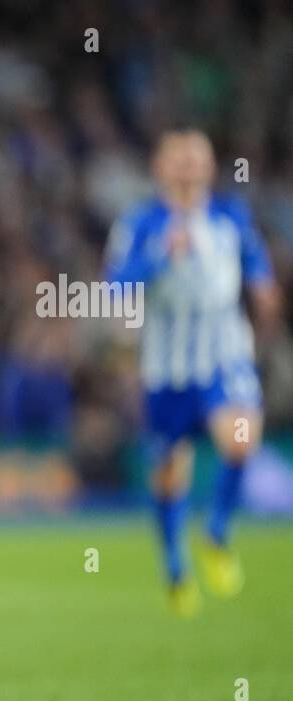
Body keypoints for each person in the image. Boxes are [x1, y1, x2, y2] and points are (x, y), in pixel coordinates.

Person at [105, 128, 282, 617]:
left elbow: (254, 260)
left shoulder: (230, 215)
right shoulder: (141, 222)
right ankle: (175, 566)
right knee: (167, 472)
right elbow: (116, 286)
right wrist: (161, 256)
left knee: (241, 438)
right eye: (178, 159)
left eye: (195, 159)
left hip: (225, 354)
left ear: (208, 166)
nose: (187, 168)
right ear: (160, 167)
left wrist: (264, 287)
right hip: (167, 367)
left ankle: (218, 531)